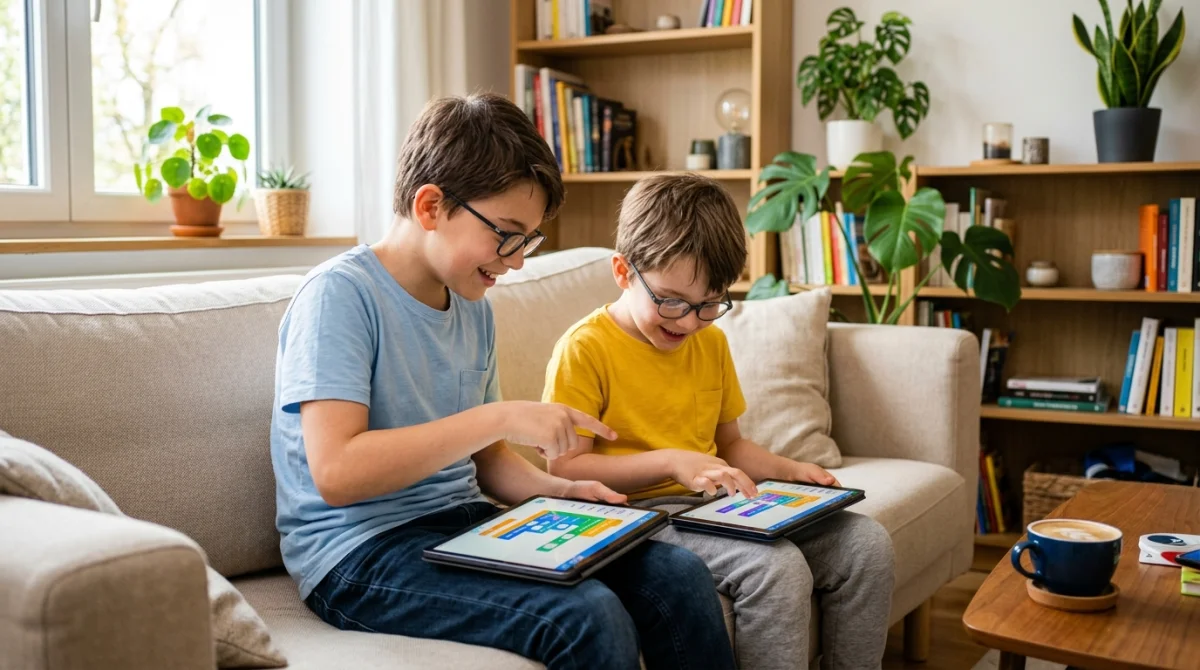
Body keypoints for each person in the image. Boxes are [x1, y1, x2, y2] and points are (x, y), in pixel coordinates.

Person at [269, 93, 736, 670]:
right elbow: (338, 474)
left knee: (679, 575)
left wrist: (563, 492)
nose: (516, 261)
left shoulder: (471, 305)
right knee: (585, 616)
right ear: (431, 205)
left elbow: (488, 465)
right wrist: (500, 415)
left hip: (462, 520)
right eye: (507, 234)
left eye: (529, 240)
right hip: (359, 553)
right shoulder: (340, 296)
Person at [541, 173, 896, 670]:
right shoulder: (584, 349)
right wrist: (670, 461)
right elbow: (564, 471)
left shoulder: (710, 342)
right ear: (623, 272)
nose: (687, 322)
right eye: (671, 301)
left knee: (865, 545)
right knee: (777, 570)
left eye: (709, 305)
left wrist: (789, 470)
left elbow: (730, 445)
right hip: (636, 518)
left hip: (712, 505)